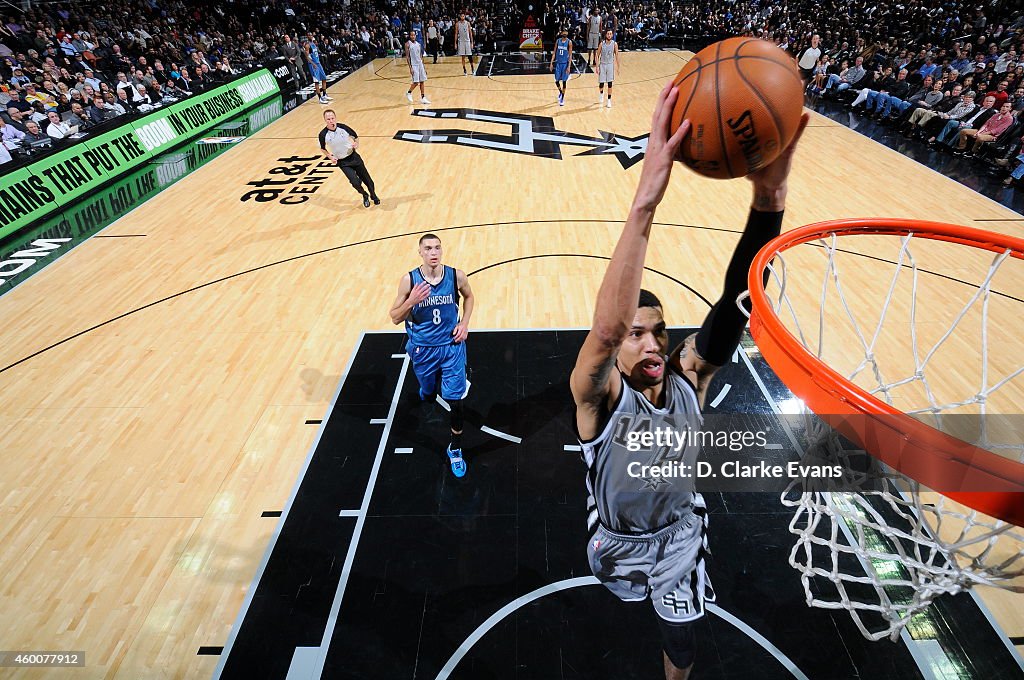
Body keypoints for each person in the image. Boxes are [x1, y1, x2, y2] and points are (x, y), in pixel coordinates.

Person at [570, 81, 808, 680]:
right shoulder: (597, 399)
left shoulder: (687, 378)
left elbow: (736, 303)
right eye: (636, 334)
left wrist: (770, 201)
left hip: (679, 537)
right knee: (623, 601)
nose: (649, 343)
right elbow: (605, 332)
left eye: (658, 331)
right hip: (615, 541)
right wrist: (645, 201)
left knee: (682, 647)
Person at [389, 234, 475, 478]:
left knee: (455, 399)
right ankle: (427, 391)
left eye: (437, 248)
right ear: (420, 252)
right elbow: (395, 317)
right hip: (423, 349)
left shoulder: (456, 275)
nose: (433, 252)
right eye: (428, 248)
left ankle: (455, 449)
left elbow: (469, 297)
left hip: (451, 346)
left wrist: (465, 323)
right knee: (428, 394)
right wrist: (411, 301)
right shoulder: (409, 281)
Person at [319, 109, 379, 208]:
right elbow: (323, 148)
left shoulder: (343, 128)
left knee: (368, 180)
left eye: (332, 118)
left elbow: (355, 137)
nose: (331, 121)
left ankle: (373, 195)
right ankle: (364, 194)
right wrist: (330, 157)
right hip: (343, 162)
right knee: (355, 182)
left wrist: (356, 144)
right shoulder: (323, 134)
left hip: (354, 157)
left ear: (335, 118)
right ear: (325, 120)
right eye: (328, 119)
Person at [405, 29, 431, 105]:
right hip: (414, 65)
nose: (413, 36)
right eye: (411, 35)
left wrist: (423, 67)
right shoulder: (407, 44)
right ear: (410, 36)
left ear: (415, 36)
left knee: (422, 81)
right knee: (416, 82)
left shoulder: (418, 44)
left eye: (414, 35)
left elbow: (420, 56)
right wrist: (410, 68)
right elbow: (407, 57)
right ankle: (409, 92)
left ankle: (423, 97)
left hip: (420, 64)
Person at [596, 29, 619, 108]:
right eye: (608, 34)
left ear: (612, 35)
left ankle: (609, 100)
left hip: (610, 65)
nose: (609, 35)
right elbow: (597, 55)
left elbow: (617, 56)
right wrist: (596, 66)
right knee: (601, 84)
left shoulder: (614, 44)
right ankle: (601, 93)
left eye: (610, 34)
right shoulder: (602, 44)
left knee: (610, 83)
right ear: (605, 35)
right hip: (602, 64)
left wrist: (618, 67)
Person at [305, 34, 331, 104]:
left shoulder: (313, 43)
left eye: (311, 35)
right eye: (309, 35)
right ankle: (320, 98)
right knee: (316, 81)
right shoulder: (307, 45)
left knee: (324, 78)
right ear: (307, 37)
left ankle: (324, 94)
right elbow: (307, 57)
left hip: (318, 63)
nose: (311, 36)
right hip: (313, 65)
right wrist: (313, 64)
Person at [550, 28, 572, 106]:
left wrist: (569, 66)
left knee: (564, 82)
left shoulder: (569, 42)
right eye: (564, 32)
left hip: (565, 64)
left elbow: (570, 55)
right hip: (558, 64)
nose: (565, 33)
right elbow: (554, 53)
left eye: (566, 32)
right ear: (561, 33)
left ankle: (562, 98)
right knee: (556, 81)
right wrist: (551, 63)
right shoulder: (558, 41)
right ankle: (560, 92)